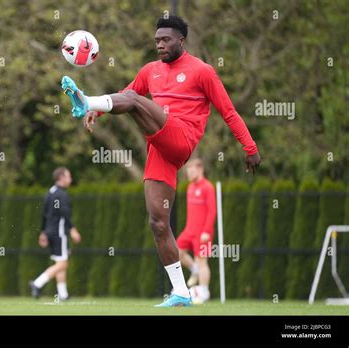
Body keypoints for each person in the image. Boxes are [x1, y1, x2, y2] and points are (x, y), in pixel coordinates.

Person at [61, 15, 260, 307]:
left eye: (166, 40)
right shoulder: (150, 70)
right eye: (156, 41)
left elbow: (228, 111)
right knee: (157, 222)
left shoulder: (202, 71)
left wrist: (250, 146)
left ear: (181, 40)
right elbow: (127, 93)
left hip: (181, 138)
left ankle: (85, 99)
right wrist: (100, 113)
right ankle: (181, 291)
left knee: (136, 101)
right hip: (158, 147)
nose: (160, 45)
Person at [29, 167, 81, 301]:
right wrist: (73, 229)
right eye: (68, 176)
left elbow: (44, 215)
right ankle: (37, 283)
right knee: (63, 264)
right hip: (59, 233)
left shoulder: (50, 192)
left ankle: (63, 294)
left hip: (50, 232)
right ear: (61, 178)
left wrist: (43, 232)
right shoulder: (62, 195)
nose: (70, 179)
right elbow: (65, 214)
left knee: (60, 261)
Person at [177, 158, 216, 304]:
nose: (189, 174)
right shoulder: (190, 187)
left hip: (203, 233)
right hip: (189, 231)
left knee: (202, 261)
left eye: (191, 170)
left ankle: (204, 292)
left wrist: (207, 230)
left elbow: (212, 211)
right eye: (188, 171)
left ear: (200, 170)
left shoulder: (208, 187)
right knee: (175, 252)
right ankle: (193, 269)